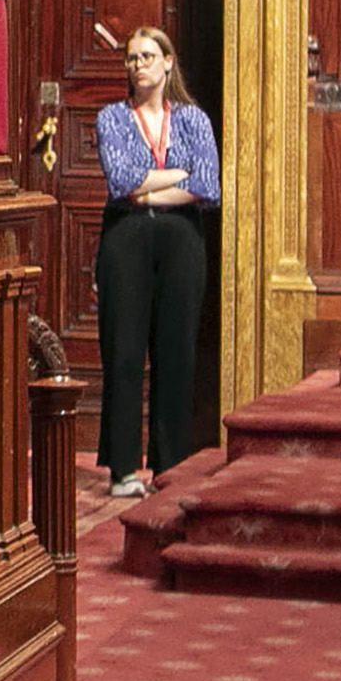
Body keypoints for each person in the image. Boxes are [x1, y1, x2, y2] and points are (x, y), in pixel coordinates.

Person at [93, 26, 221, 499]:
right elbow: (122, 181)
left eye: (148, 56)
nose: (138, 65)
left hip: (181, 240)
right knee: (124, 352)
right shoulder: (112, 118)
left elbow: (209, 183)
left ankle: (169, 465)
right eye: (131, 58)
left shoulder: (192, 119)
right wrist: (176, 175)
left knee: (175, 353)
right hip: (126, 237)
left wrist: (152, 184)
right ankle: (124, 469)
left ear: (168, 62)